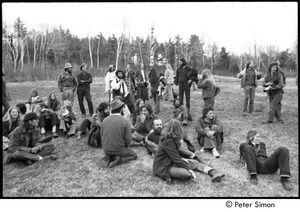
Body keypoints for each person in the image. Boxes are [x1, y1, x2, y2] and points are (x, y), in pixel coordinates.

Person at [153, 119, 224, 184]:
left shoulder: (172, 137)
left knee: (194, 162)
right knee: (186, 173)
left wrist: (189, 158)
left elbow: (177, 154)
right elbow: (176, 159)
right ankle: (168, 176)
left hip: (170, 161)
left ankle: (212, 171)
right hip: (162, 167)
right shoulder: (168, 140)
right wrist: (188, 168)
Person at [100, 98, 137, 168]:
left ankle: (109, 157)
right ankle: (120, 160)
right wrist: (126, 146)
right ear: (121, 109)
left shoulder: (104, 120)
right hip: (119, 149)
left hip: (106, 149)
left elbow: (101, 135)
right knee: (134, 155)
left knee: (112, 150)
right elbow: (128, 140)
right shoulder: (125, 121)